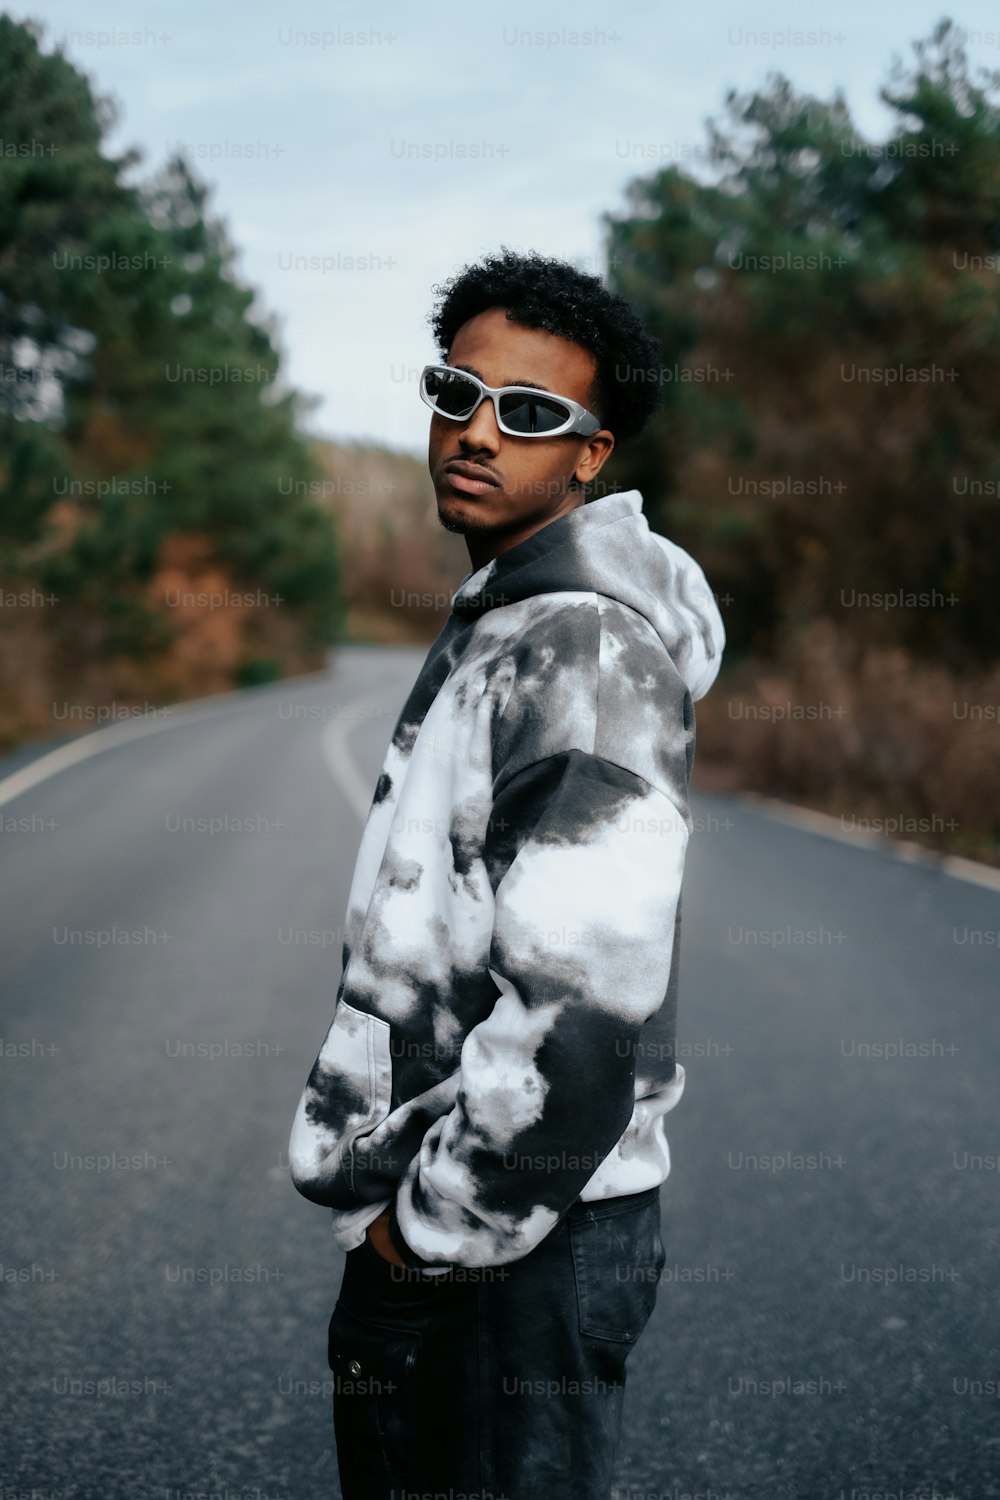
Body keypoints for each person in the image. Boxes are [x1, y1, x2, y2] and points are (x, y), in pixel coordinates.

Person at [288, 247, 725, 1499]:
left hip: (512, 1244)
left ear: (590, 454)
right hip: (502, 1234)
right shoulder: (518, 619)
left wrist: (414, 1244)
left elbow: (578, 1021)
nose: (477, 433)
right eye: (455, 392)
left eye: (530, 413)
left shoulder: (581, 652)